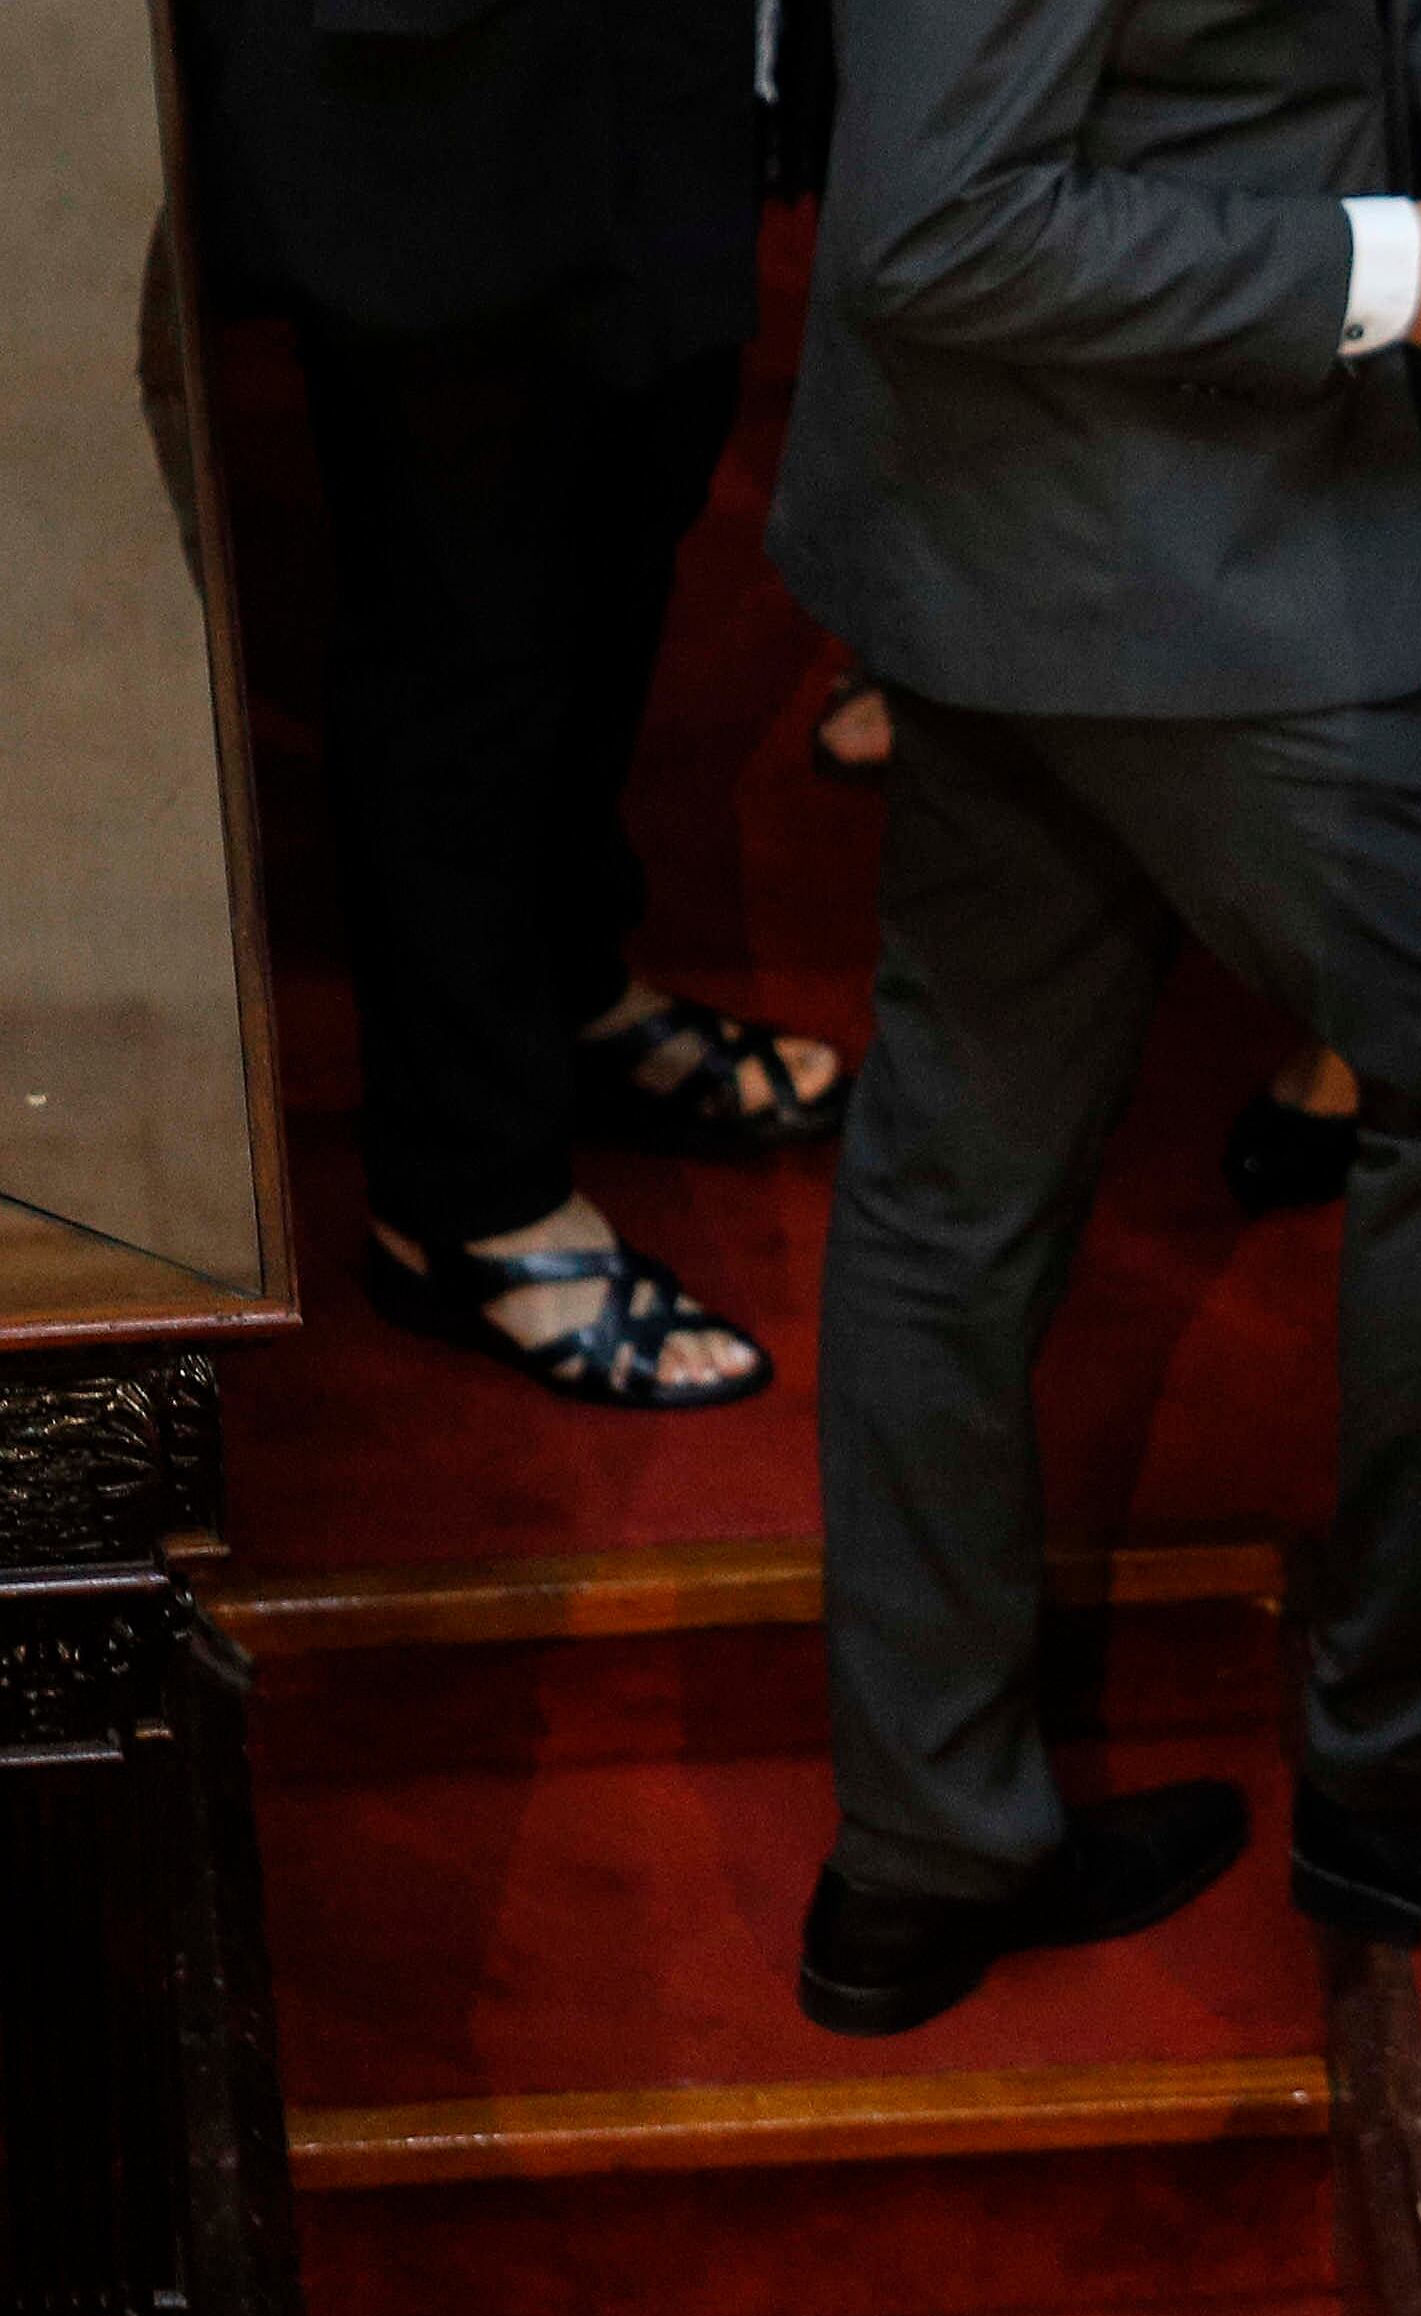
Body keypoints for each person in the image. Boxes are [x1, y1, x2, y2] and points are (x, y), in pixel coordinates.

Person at [768, 0, 1421, 2035]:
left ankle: (925, 1848)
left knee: (954, 1178)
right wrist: (1399, 267)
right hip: (1139, 558)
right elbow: (929, 227)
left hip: (1062, 548)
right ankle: (1418, 1765)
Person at [179, 0, 853, 1411]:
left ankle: (567, 990)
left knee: (628, 527)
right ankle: (465, 1197)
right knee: (461, 633)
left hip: (662, 67)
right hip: (420, 79)